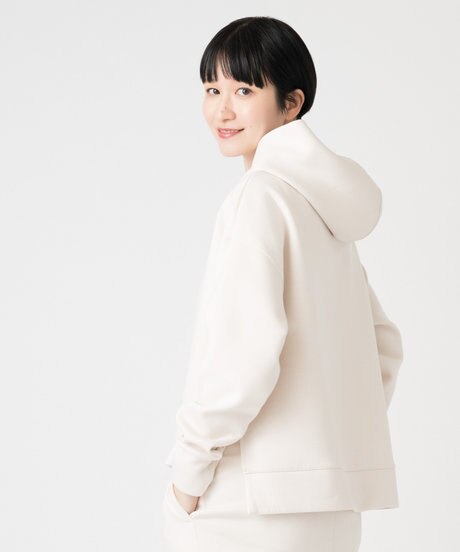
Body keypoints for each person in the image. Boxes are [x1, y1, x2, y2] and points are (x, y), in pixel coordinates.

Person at [162, 15, 404, 552]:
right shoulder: (322, 211)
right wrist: (325, 443)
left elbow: (240, 359)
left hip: (249, 505)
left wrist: (187, 480)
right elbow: (383, 345)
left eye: (244, 90)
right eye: (212, 89)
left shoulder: (260, 198)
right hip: (331, 509)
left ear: (292, 103)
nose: (222, 110)